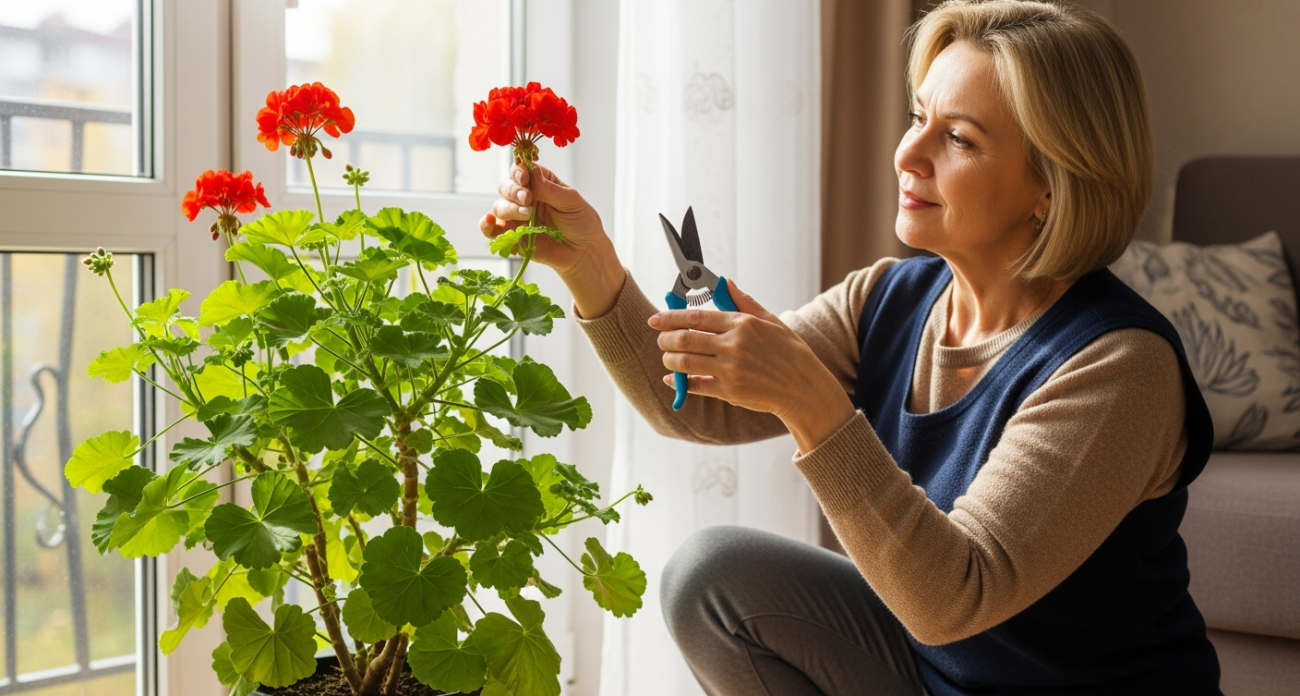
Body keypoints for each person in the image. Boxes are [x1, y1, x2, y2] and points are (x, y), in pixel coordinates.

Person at [480, 1, 1222, 694]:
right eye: (919, 117)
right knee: (711, 579)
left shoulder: (1118, 366)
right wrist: (590, 266)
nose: (909, 154)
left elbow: (955, 598)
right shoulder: (890, 298)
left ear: (1051, 188)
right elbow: (695, 407)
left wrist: (811, 403)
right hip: (935, 670)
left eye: (959, 138)